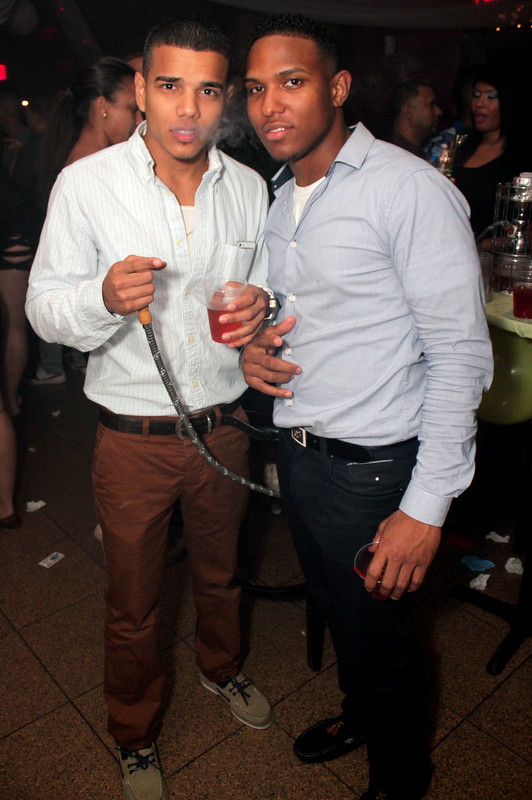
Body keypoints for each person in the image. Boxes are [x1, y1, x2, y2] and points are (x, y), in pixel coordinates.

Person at [242, 14, 493, 800]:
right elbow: (304, 311)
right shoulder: (280, 197)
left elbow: (461, 356)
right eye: (255, 88)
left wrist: (425, 507)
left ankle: (400, 778)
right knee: (341, 615)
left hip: (375, 473)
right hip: (301, 454)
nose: (269, 104)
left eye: (292, 82)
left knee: (383, 642)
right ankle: (361, 717)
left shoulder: (407, 189)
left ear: (339, 87)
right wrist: (251, 348)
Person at [26, 18, 274, 800]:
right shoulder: (87, 185)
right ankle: (134, 735)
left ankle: (220, 669)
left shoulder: (250, 188)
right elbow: (42, 307)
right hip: (133, 441)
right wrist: (101, 297)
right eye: (169, 86)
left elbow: (269, 293)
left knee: (221, 577)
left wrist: (265, 310)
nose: (187, 109)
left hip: (225, 429)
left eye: (207, 90)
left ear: (226, 98)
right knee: (134, 604)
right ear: (139, 89)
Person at [30, 56, 142, 385]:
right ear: (103, 107)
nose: (138, 120)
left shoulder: (80, 156)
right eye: (131, 109)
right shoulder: (91, 169)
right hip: (114, 323)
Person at [452, 63, 532, 240]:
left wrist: (485, 244)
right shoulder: (462, 147)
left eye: (491, 96)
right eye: (476, 95)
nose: (479, 103)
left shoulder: (522, 154)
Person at [387, 79, 442, 159]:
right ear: (410, 112)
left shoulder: (415, 153)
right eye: (431, 104)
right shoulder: (392, 156)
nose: (438, 111)